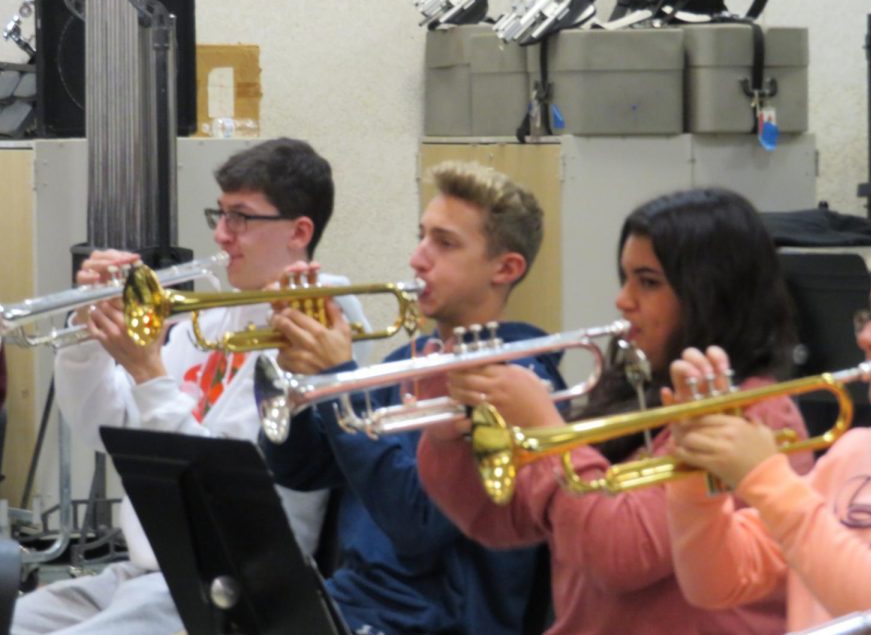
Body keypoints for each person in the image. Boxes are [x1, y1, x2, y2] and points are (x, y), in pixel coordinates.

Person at [12, 138, 372, 635]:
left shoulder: (317, 321)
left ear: (299, 231)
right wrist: (86, 338)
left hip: (232, 581)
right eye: (219, 215)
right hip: (140, 569)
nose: (222, 236)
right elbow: (104, 429)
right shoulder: (215, 316)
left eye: (241, 217)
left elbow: (222, 485)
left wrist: (147, 372)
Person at [418, 187, 814, 634]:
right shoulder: (638, 389)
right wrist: (447, 440)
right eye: (625, 278)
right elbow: (506, 523)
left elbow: (619, 555)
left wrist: (547, 427)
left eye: (648, 282)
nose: (623, 300)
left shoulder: (754, 416)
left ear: (709, 293)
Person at [260, 161, 566, 635]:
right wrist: (294, 368)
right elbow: (300, 468)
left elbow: (417, 524)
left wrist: (337, 376)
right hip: (350, 605)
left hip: (434, 623)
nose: (418, 259)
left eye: (444, 244)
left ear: (505, 268)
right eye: (422, 236)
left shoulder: (514, 386)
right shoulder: (409, 358)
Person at [665, 247, 871, 632]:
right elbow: (714, 584)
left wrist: (766, 477)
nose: (868, 338)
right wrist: (695, 471)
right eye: (870, 316)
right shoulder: (855, 451)